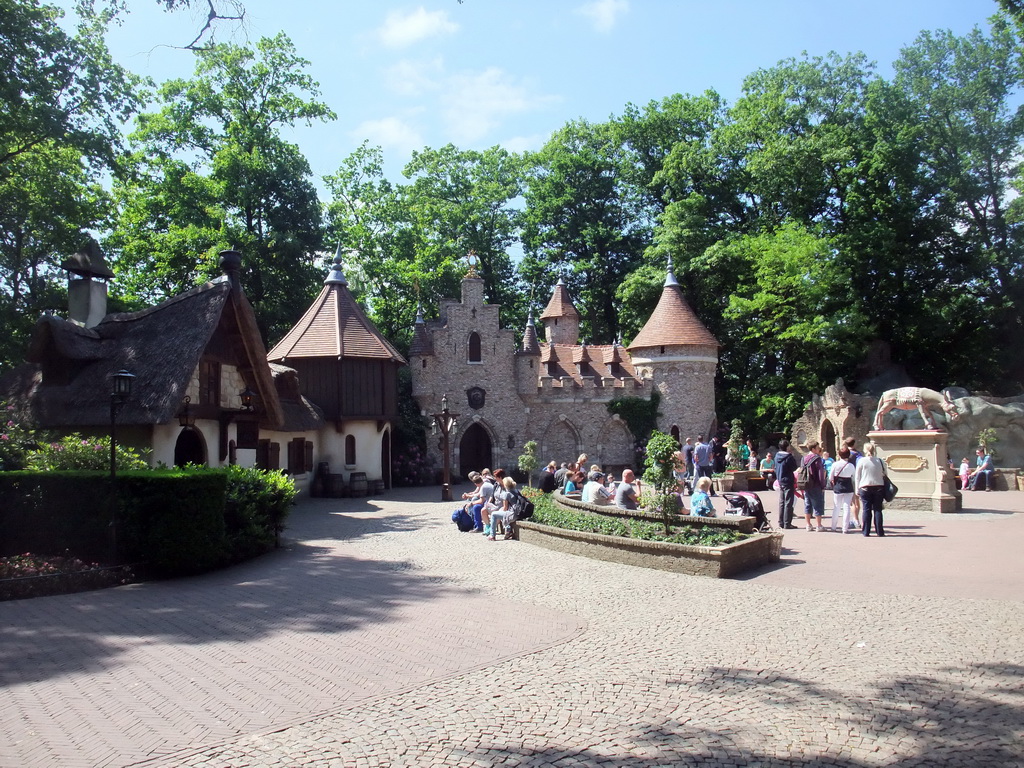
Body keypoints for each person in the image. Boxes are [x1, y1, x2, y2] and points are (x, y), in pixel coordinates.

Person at [855, 441, 888, 536]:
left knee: (866, 509)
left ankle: (866, 531)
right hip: (878, 486)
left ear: (865, 450)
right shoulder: (880, 461)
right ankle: (880, 531)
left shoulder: (861, 461)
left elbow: (857, 476)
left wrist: (857, 489)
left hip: (865, 487)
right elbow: (885, 474)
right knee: (878, 509)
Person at [829, 447, 857, 532]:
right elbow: (854, 478)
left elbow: (830, 477)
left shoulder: (835, 464)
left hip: (838, 486)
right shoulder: (851, 465)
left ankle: (833, 526)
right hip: (848, 486)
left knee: (836, 507)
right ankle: (845, 528)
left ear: (839, 455)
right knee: (847, 507)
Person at [800, 441, 826, 531]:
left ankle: (808, 525)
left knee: (807, 504)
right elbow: (820, 473)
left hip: (806, 484)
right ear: (813, 449)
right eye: (818, 448)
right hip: (815, 484)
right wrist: (823, 485)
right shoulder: (817, 459)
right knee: (817, 504)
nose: (819, 449)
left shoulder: (804, 458)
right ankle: (818, 525)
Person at [774, 440, 798, 529]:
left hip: (780, 480)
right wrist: (792, 456)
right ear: (787, 447)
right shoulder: (788, 457)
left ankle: (781, 522)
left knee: (782, 502)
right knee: (788, 502)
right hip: (788, 480)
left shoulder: (777, 456)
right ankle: (787, 523)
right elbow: (794, 467)